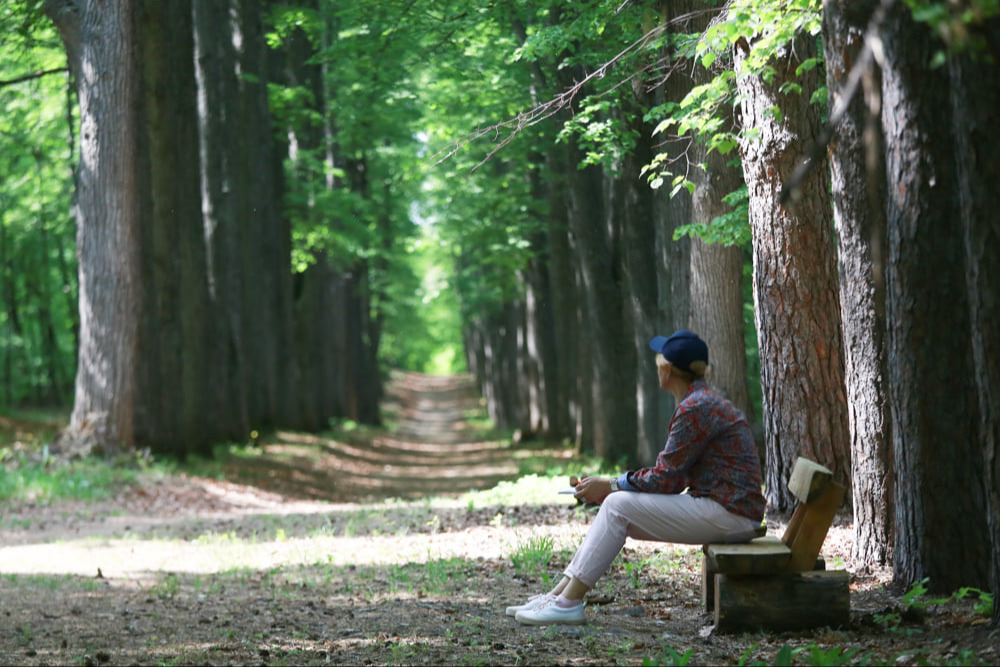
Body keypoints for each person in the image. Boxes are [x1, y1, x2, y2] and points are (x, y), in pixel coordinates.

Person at [507, 330, 765, 626]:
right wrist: (611, 486)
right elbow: (671, 479)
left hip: (730, 514)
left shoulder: (697, 408)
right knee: (617, 503)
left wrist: (611, 485)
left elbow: (667, 480)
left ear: (666, 370)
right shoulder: (701, 401)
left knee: (618, 505)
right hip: (728, 510)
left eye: (659, 361)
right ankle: (557, 597)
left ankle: (567, 603)